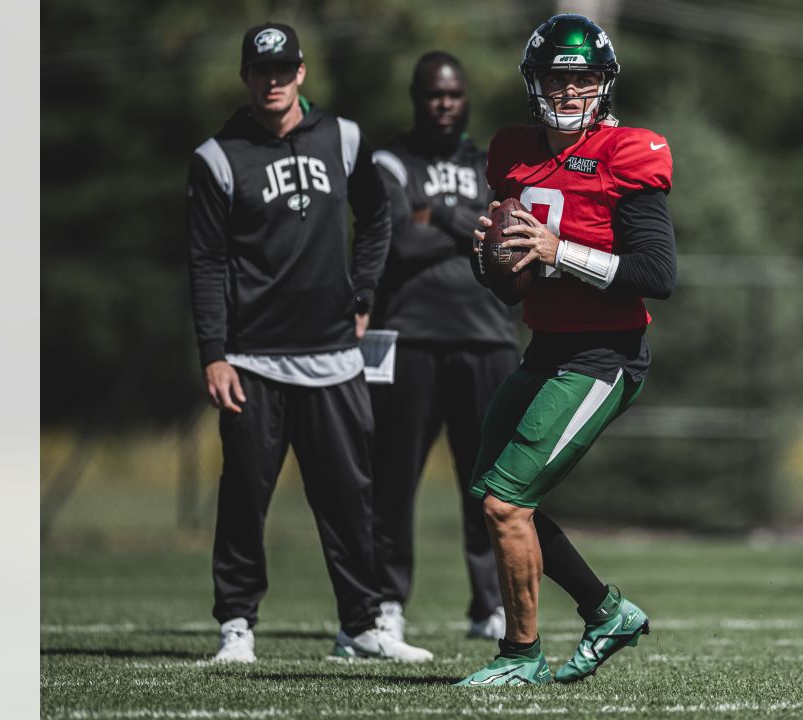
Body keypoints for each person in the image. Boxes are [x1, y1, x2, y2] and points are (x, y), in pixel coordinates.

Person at [186, 22, 432, 664]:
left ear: (300, 75)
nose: (272, 81)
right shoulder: (217, 157)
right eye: (260, 70)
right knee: (244, 497)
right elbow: (206, 262)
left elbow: (379, 216)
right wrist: (213, 351)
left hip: (333, 358)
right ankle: (236, 625)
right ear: (246, 76)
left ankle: (361, 625)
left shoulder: (344, 138)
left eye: (283, 69)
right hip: (251, 360)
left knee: (352, 498)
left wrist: (364, 295)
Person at [455, 14, 677, 686]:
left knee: (505, 502)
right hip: (546, 347)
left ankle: (521, 657)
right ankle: (606, 613)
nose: (570, 90)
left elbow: (658, 275)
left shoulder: (629, 153)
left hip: (605, 355)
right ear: (536, 82)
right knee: (492, 493)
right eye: (558, 76)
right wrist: (491, 263)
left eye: (583, 78)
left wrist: (561, 251)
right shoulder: (514, 154)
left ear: (604, 84)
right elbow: (510, 290)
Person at [368, 52, 517, 641]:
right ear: (416, 96)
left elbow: (510, 234)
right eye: (434, 94)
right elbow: (400, 240)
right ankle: (385, 604)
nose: (445, 104)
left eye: (454, 94)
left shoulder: (493, 163)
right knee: (392, 479)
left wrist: (442, 215)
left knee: (487, 484)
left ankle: (490, 607)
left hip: (488, 339)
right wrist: (473, 225)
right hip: (409, 340)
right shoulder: (388, 160)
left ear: (466, 99)